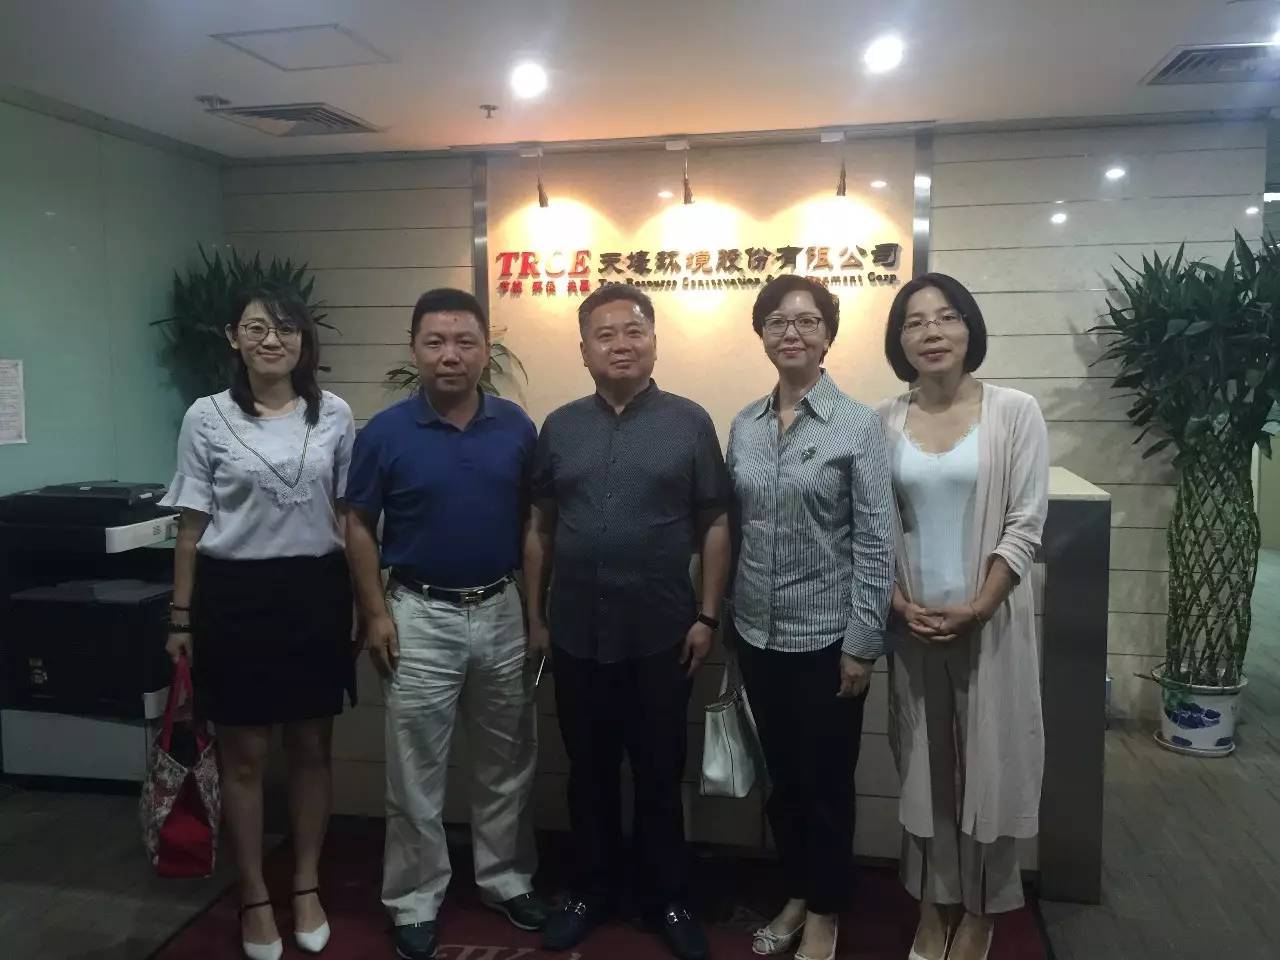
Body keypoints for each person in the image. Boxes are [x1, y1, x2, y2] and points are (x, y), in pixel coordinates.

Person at [524, 284, 731, 960]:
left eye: (634, 330)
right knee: (587, 772)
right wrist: (535, 617)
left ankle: (667, 897)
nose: (621, 344)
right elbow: (540, 526)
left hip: (662, 633)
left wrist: (707, 615)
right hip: (576, 631)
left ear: (654, 341)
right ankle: (589, 891)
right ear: (583, 349)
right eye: (605, 333)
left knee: (658, 771)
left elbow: (716, 522)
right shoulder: (560, 427)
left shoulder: (689, 422)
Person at [344, 288, 548, 960]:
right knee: (414, 772)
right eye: (435, 342)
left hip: (501, 609)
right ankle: (413, 899)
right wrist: (375, 613)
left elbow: (534, 527)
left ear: (487, 349)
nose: (450, 355)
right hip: (417, 614)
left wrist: (535, 615)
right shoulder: (385, 432)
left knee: (506, 762)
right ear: (415, 349)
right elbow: (358, 526)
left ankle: (506, 879)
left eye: (465, 341)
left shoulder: (516, 427)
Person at [162, 287, 356, 960]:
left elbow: (348, 517)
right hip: (234, 598)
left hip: (316, 595)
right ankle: (252, 894)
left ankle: (305, 884)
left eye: (286, 328)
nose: (273, 340)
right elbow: (191, 526)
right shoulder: (206, 415)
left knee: (311, 749)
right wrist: (181, 616)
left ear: (304, 339)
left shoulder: (334, 414)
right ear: (233, 337)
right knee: (243, 758)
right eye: (257, 328)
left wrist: (365, 602)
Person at [877, 273, 1048, 960]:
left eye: (946, 317)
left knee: (991, 769)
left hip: (992, 623)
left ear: (970, 328)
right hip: (912, 625)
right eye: (915, 322)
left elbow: (1025, 522)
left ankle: (984, 909)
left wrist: (979, 607)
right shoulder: (882, 421)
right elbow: (872, 527)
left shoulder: (1015, 412)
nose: (932, 332)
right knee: (923, 768)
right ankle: (932, 903)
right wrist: (897, 604)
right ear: (899, 341)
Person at [727, 275, 895, 960]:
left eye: (806, 321)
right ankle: (796, 891)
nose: (790, 332)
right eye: (776, 320)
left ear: (828, 335)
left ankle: (825, 911)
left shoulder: (858, 425)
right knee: (784, 782)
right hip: (756, 634)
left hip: (828, 641)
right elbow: (736, 527)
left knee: (826, 784)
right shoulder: (744, 423)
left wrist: (862, 644)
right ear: (761, 334)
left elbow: (876, 541)